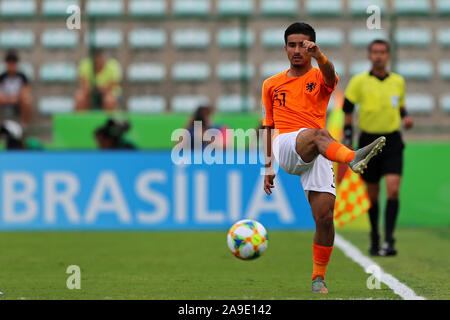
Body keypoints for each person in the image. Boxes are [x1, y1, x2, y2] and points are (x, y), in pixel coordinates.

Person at [262, 22, 386, 294]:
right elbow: (268, 127)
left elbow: (331, 76)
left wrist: (320, 56)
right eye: (292, 45)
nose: (297, 50)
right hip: (287, 144)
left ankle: (318, 277)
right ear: (285, 48)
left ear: (311, 47)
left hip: (320, 149)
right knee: (319, 133)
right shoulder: (271, 85)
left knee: (325, 217)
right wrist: (268, 167)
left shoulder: (320, 76)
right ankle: (353, 158)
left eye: (303, 45)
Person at [342, 39, 414, 257]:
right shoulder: (359, 81)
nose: (378, 56)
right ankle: (375, 236)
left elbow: (399, 105)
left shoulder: (398, 82)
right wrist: (347, 137)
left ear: (388, 56)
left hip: (392, 141)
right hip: (368, 142)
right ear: (369, 55)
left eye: (382, 52)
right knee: (372, 196)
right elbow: (347, 108)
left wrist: (405, 117)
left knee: (393, 189)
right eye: (374, 52)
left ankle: (390, 240)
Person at [0, 50, 32, 126]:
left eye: (13, 63)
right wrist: (9, 99)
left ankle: (24, 126)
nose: (11, 66)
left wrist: (16, 98)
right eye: (9, 63)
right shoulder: (2, 76)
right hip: (5, 101)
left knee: (27, 101)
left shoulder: (22, 76)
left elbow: (25, 92)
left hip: (18, 101)